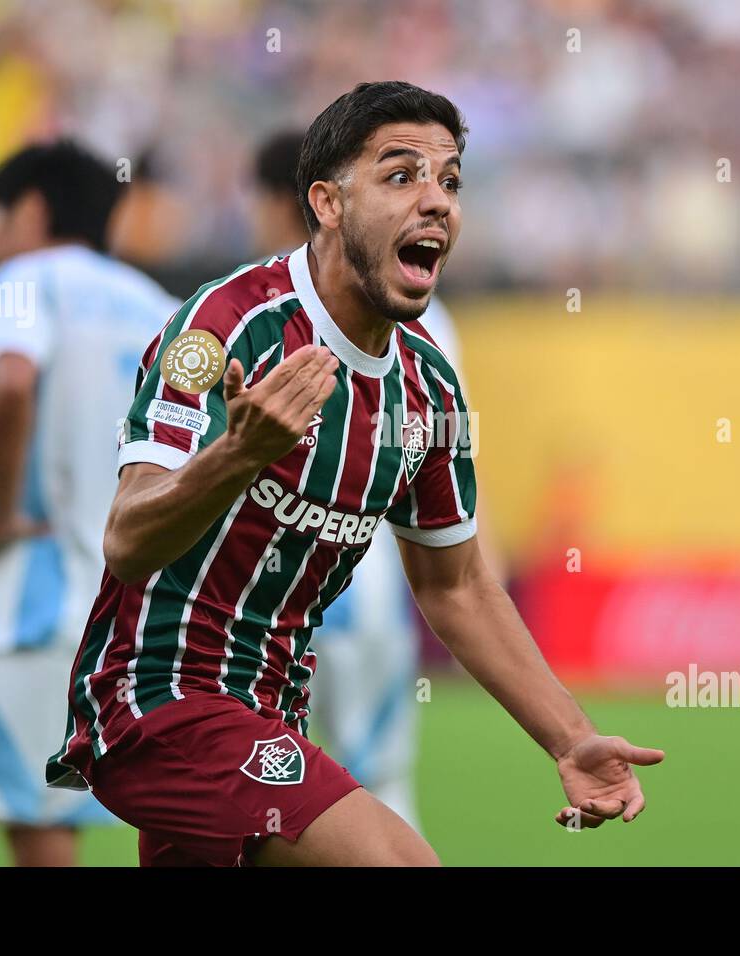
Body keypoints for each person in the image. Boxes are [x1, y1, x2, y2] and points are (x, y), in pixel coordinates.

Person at [46, 81, 665, 866]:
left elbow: (457, 585)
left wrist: (571, 739)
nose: (435, 200)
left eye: (450, 179)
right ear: (328, 203)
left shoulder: (430, 388)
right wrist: (238, 455)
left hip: (273, 714)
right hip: (159, 701)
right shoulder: (230, 326)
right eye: (401, 175)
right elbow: (128, 540)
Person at [0, 140, 180, 866]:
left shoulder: (24, 281)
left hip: (17, 610)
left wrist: (6, 513)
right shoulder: (162, 308)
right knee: (41, 835)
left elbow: (13, 381)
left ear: (33, 211)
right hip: (109, 622)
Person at [248, 128, 467, 830]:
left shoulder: (260, 314)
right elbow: (448, 462)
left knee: (275, 808)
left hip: (272, 597)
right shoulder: (434, 323)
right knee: (377, 790)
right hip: (369, 592)